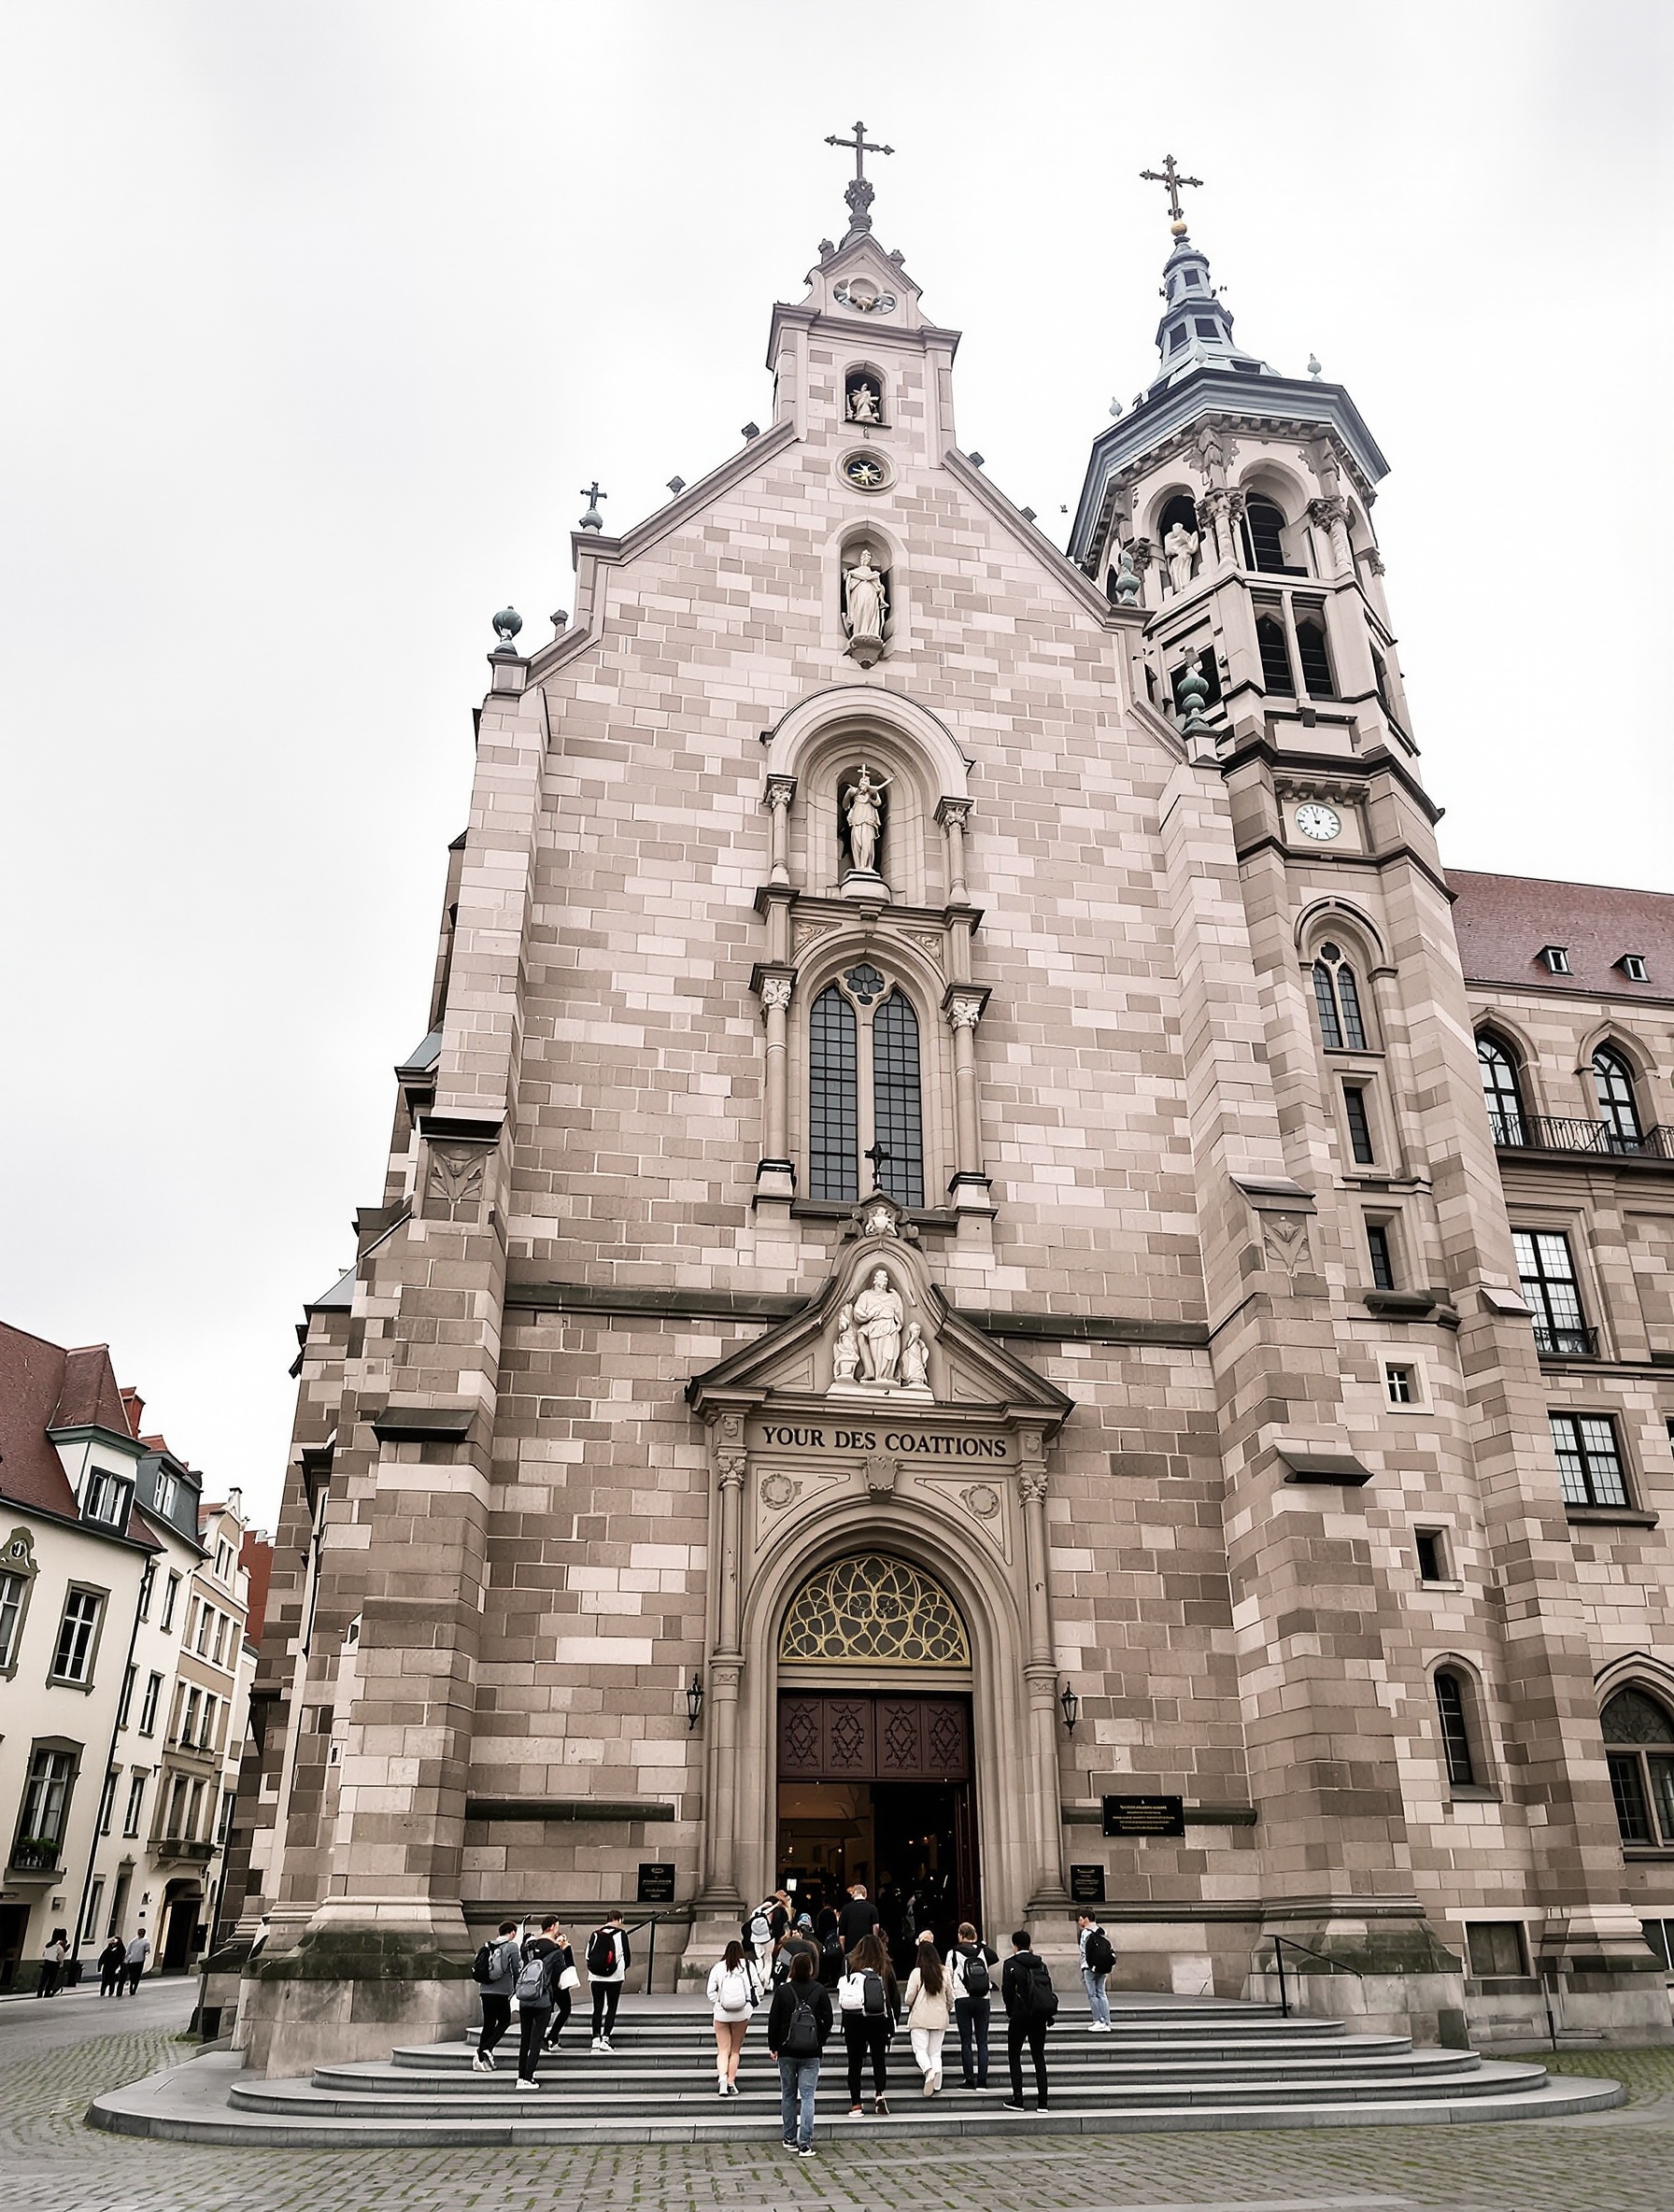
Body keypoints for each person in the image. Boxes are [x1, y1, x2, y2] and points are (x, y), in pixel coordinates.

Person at [767, 1946, 832, 2158]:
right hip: (811, 2051)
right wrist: (819, 2040)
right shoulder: (820, 1990)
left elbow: (773, 2021)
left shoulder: (783, 1991)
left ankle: (788, 2137)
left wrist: (773, 2046)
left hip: (786, 2049)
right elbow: (829, 2020)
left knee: (787, 2094)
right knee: (807, 2096)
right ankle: (805, 2142)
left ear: (792, 1968)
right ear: (811, 1968)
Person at [836, 1930, 898, 2118]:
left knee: (854, 2062)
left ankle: (856, 2104)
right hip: (879, 2018)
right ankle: (879, 2094)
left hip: (854, 2018)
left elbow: (843, 1989)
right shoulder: (885, 1964)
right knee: (879, 2059)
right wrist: (894, 2021)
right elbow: (894, 1995)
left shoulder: (849, 1962)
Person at [1000, 1928, 1055, 2112]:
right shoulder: (1041, 1964)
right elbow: (1048, 1989)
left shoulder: (1010, 1964)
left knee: (1014, 2055)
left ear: (1015, 1945)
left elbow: (1007, 1991)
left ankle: (1018, 2099)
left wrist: (1010, 2010)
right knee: (1038, 2056)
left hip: (1019, 2015)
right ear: (1029, 1944)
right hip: (1039, 2015)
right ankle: (1043, 2102)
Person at [511, 1917, 564, 2089]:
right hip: (542, 1999)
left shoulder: (529, 1946)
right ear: (554, 1927)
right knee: (536, 2040)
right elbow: (560, 1975)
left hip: (525, 1998)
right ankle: (528, 2077)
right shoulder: (555, 1950)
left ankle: (521, 2077)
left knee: (525, 2039)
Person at [945, 1921, 999, 2089]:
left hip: (962, 1999)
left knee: (966, 2041)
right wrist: (980, 1943)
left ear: (960, 1935)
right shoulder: (982, 1951)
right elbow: (995, 1957)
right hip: (983, 1998)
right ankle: (982, 2081)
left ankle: (969, 2079)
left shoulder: (953, 1953)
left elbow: (948, 1975)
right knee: (982, 2042)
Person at [705, 1938, 759, 2096]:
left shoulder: (718, 1967)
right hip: (742, 2013)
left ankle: (722, 2081)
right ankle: (731, 2082)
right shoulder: (748, 1966)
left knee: (723, 2049)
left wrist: (720, 2003)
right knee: (735, 2050)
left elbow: (710, 1992)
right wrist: (749, 2004)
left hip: (721, 2013)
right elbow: (758, 1987)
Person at [902, 1931, 950, 2096]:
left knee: (920, 2049)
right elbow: (950, 1996)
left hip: (920, 2016)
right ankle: (936, 2084)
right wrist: (947, 2009)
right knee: (935, 2051)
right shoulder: (944, 1972)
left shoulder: (917, 1973)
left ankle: (928, 2071)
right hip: (939, 2016)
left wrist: (911, 2003)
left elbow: (909, 1997)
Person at [472, 1919, 522, 2073]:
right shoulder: (511, 1946)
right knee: (504, 2021)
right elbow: (516, 1968)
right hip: (501, 1991)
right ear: (512, 1932)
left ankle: (481, 2056)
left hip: (485, 1990)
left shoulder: (488, 1945)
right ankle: (486, 2049)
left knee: (488, 2023)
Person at [586, 1909, 630, 2051]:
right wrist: (619, 1969)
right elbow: (627, 1956)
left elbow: (587, 1955)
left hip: (596, 1977)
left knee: (597, 2007)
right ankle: (605, 2038)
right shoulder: (621, 1934)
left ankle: (595, 2037)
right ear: (618, 1920)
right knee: (611, 2007)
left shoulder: (595, 1934)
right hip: (615, 1977)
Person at [541, 1925, 577, 2050]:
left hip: (551, 1985)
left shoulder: (552, 1949)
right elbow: (567, 1967)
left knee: (556, 2010)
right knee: (563, 2010)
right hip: (556, 1985)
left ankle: (549, 2037)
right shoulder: (557, 1950)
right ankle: (550, 2037)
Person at [1078, 1909, 1114, 2031]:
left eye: (1081, 1918)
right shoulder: (1101, 1931)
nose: (1079, 1921)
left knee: (1092, 1994)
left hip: (1089, 1967)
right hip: (1102, 1966)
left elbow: (1084, 1952)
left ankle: (1098, 2020)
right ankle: (1106, 2021)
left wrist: (1085, 1965)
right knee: (1102, 1993)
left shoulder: (1085, 1933)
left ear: (1086, 1919)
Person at [837, 1881, 879, 1954]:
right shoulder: (872, 1909)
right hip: (867, 1948)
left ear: (853, 1895)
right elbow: (876, 1927)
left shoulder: (845, 1909)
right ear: (865, 1894)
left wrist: (844, 1953)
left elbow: (841, 1936)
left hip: (851, 1949)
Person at [36, 1929, 67, 1997]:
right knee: (51, 1980)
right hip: (54, 1964)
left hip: (46, 1962)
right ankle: (47, 1993)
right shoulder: (59, 1947)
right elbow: (60, 1957)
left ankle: (39, 1993)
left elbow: (44, 1954)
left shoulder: (48, 1945)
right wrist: (61, 1964)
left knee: (43, 1979)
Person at [120, 1926, 149, 1996]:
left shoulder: (133, 1941)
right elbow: (147, 1950)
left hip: (132, 1960)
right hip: (140, 1960)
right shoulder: (146, 1942)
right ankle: (134, 1987)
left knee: (132, 1974)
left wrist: (126, 1959)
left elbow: (128, 1951)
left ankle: (131, 1984)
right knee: (137, 1975)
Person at [97, 1934, 126, 1998]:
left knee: (112, 1981)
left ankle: (111, 1992)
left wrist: (120, 1967)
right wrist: (99, 1966)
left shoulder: (121, 1950)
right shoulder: (108, 1949)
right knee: (104, 1980)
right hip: (107, 1967)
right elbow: (102, 1957)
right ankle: (103, 1991)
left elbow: (122, 1959)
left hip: (114, 1967)